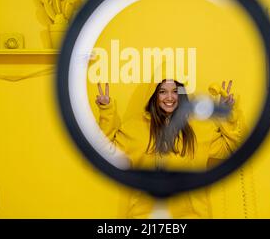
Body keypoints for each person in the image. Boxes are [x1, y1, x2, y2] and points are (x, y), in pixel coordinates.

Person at [95, 78, 244, 218]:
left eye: (175, 91)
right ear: (154, 95)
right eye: (163, 91)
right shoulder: (134, 129)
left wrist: (226, 114)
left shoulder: (199, 128)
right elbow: (104, 153)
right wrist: (106, 111)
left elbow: (233, 148)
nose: (170, 97)